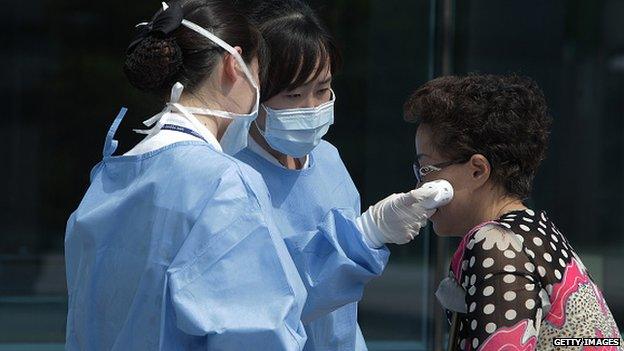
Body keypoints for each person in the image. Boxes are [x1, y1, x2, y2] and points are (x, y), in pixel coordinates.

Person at [64, 1, 309, 349]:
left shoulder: (107, 180)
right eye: (259, 71)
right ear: (234, 65)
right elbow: (257, 335)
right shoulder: (224, 184)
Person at [232, 1, 452, 349]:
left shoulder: (328, 160)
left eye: (322, 89)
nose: (311, 107)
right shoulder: (232, 176)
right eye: (293, 94)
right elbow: (271, 299)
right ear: (252, 90)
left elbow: (341, 311)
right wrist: (365, 234)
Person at [404, 74, 624, 350]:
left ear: (477, 170)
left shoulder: (495, 243)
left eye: (426, 170)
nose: (418, 185)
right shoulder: (533, 231)